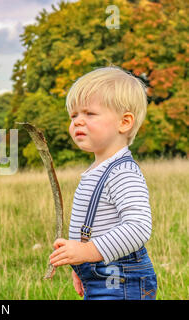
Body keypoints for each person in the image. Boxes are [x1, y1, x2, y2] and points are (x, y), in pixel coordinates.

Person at [49, 66, 157, 300]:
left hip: (122, 279)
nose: (78, 121)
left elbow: (138, 227)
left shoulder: (122, 172)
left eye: (89, 114)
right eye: (74, 115)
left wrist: (87, 252)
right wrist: (80, 267)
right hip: (100, 275)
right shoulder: (95, 170)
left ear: (124, 122)